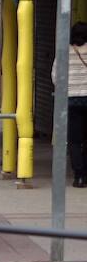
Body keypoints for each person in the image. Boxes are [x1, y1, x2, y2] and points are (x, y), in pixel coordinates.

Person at [55, 22, 87, 188]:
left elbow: (56, 76)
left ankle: (79, 176)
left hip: (72, 100)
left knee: (74, 140)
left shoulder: (64, 51)